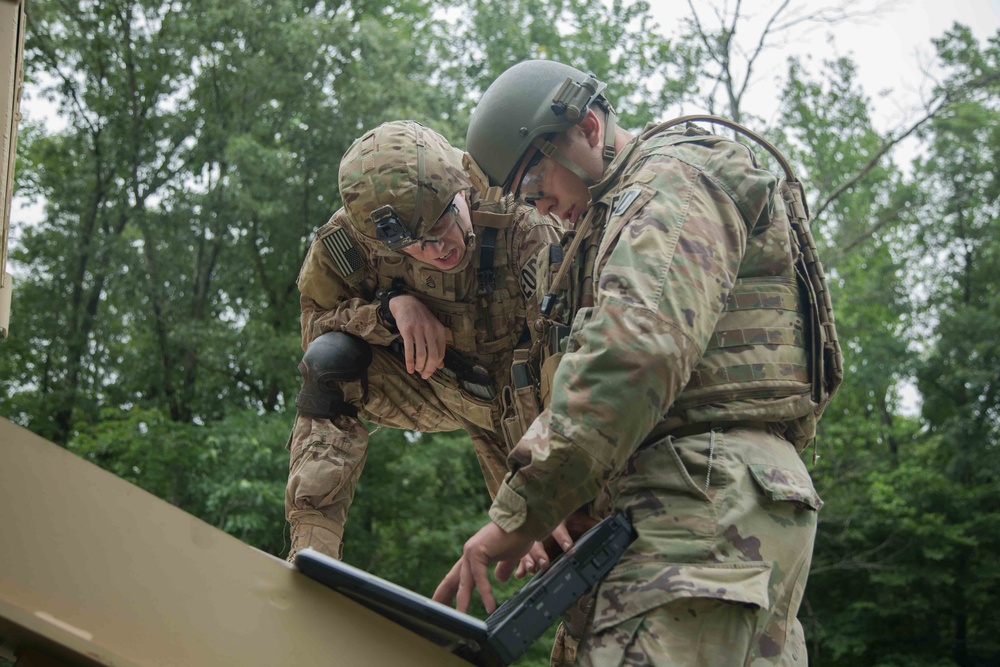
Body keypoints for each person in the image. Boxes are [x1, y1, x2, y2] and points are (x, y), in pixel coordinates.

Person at [433, 60, 843, 666]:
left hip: (700, 504)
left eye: (536, 183)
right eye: (524, 199)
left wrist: (520, 513)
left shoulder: (669, 183)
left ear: (589, 131)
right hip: (710, 507)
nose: (540, 207)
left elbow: (634, 350)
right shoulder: (618, 213)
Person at [285, 119, 568, 564]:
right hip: (439, 383)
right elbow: (314, 325)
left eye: (440, 226)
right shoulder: (355, 238)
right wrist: (388, 309)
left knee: (561, 544)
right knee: (329, 363)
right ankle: (311, 551)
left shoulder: (520, 216)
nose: (435, 250)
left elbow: (567, 354)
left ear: (460, 190)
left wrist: (541, 483)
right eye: (413, 245)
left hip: (530, 397)